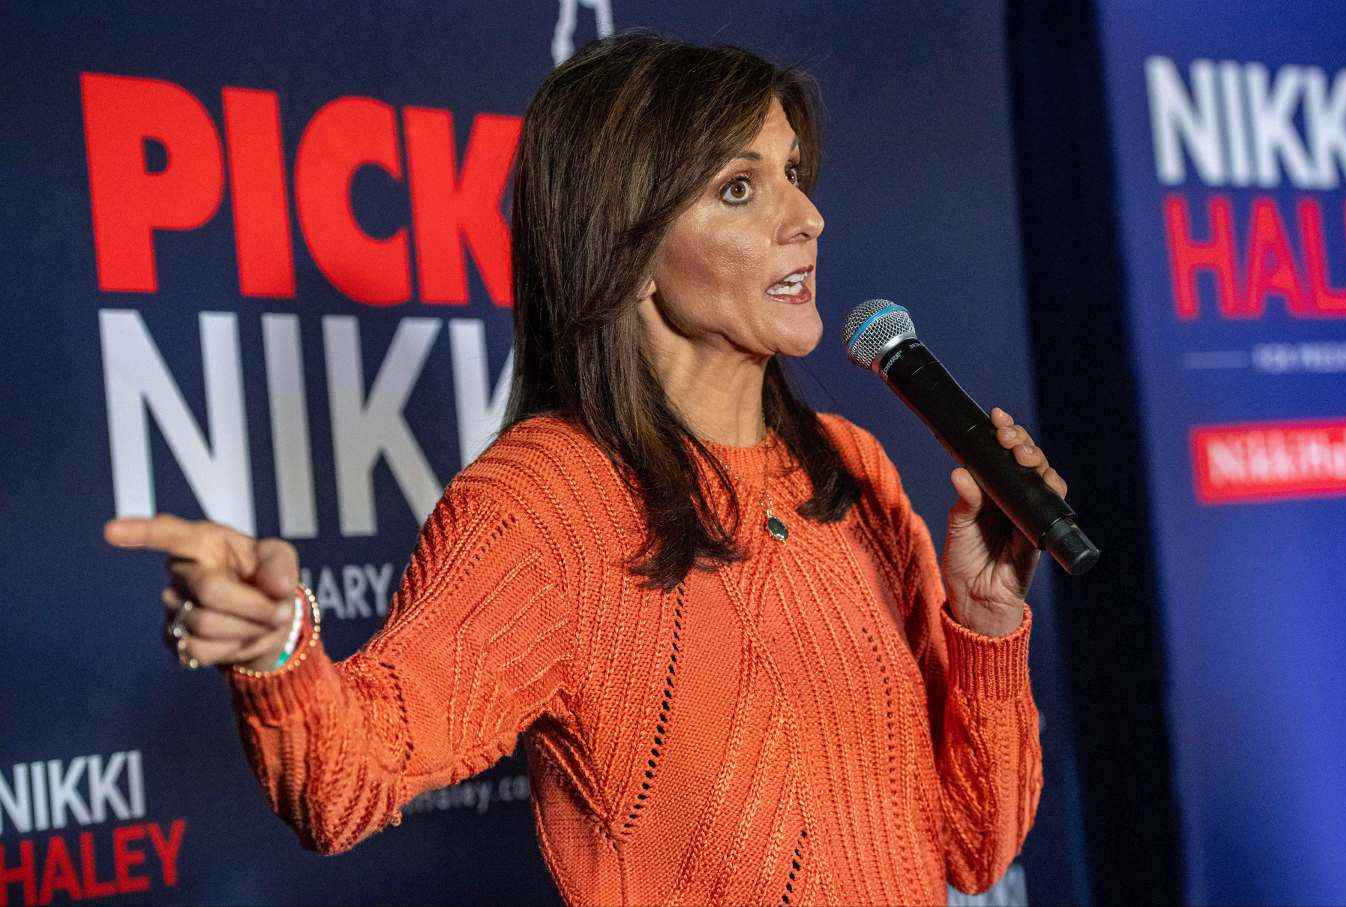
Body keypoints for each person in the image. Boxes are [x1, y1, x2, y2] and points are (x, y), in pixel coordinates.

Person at [104, 32, 1067, 906]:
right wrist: (277, 650)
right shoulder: (540, 505)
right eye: (741, 187)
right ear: (631, 250)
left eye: (795, 173)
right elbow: (345, 778)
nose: (807, 216)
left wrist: (986, 623)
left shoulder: (849, 468)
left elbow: (976, 849)